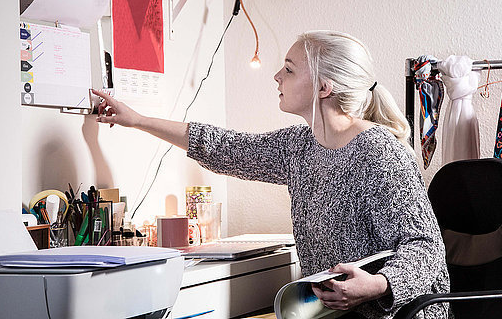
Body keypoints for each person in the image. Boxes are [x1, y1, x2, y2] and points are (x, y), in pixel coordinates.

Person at [93, 30, 449, 318]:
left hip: (396, 312)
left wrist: (377, 284)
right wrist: (135, 120)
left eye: (290, 69)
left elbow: (426, 249)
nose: (277, 76)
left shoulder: (380, 153)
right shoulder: (299, 145)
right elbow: (224, 147)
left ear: (324, 88)